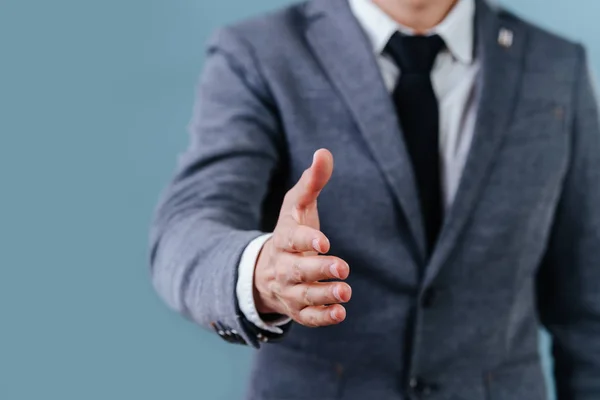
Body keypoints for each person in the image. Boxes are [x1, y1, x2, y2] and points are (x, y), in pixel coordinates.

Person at [149, 0, 600, 398]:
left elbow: (588, 303)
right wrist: (262, 271)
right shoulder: (259, 53)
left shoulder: (556, 67)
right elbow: (187, 225)